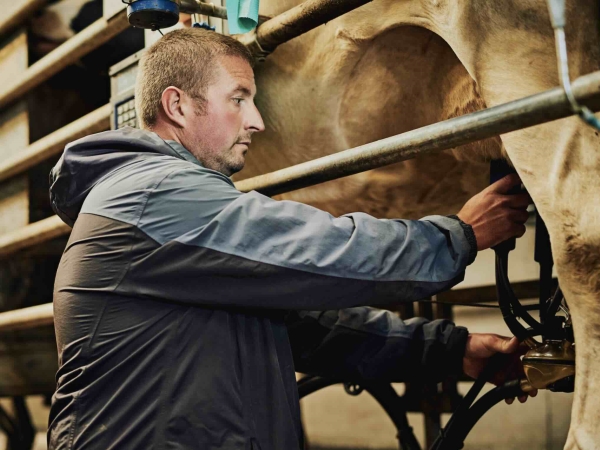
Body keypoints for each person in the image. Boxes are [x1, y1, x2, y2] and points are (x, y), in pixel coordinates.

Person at [47, 28, 534, 450]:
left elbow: (311, 330)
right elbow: (321, 250)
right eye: (238, 99)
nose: (256, 120)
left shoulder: (158, 209)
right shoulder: (155, 193)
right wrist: (460, 235)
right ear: (177, 105)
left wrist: (452, 350)